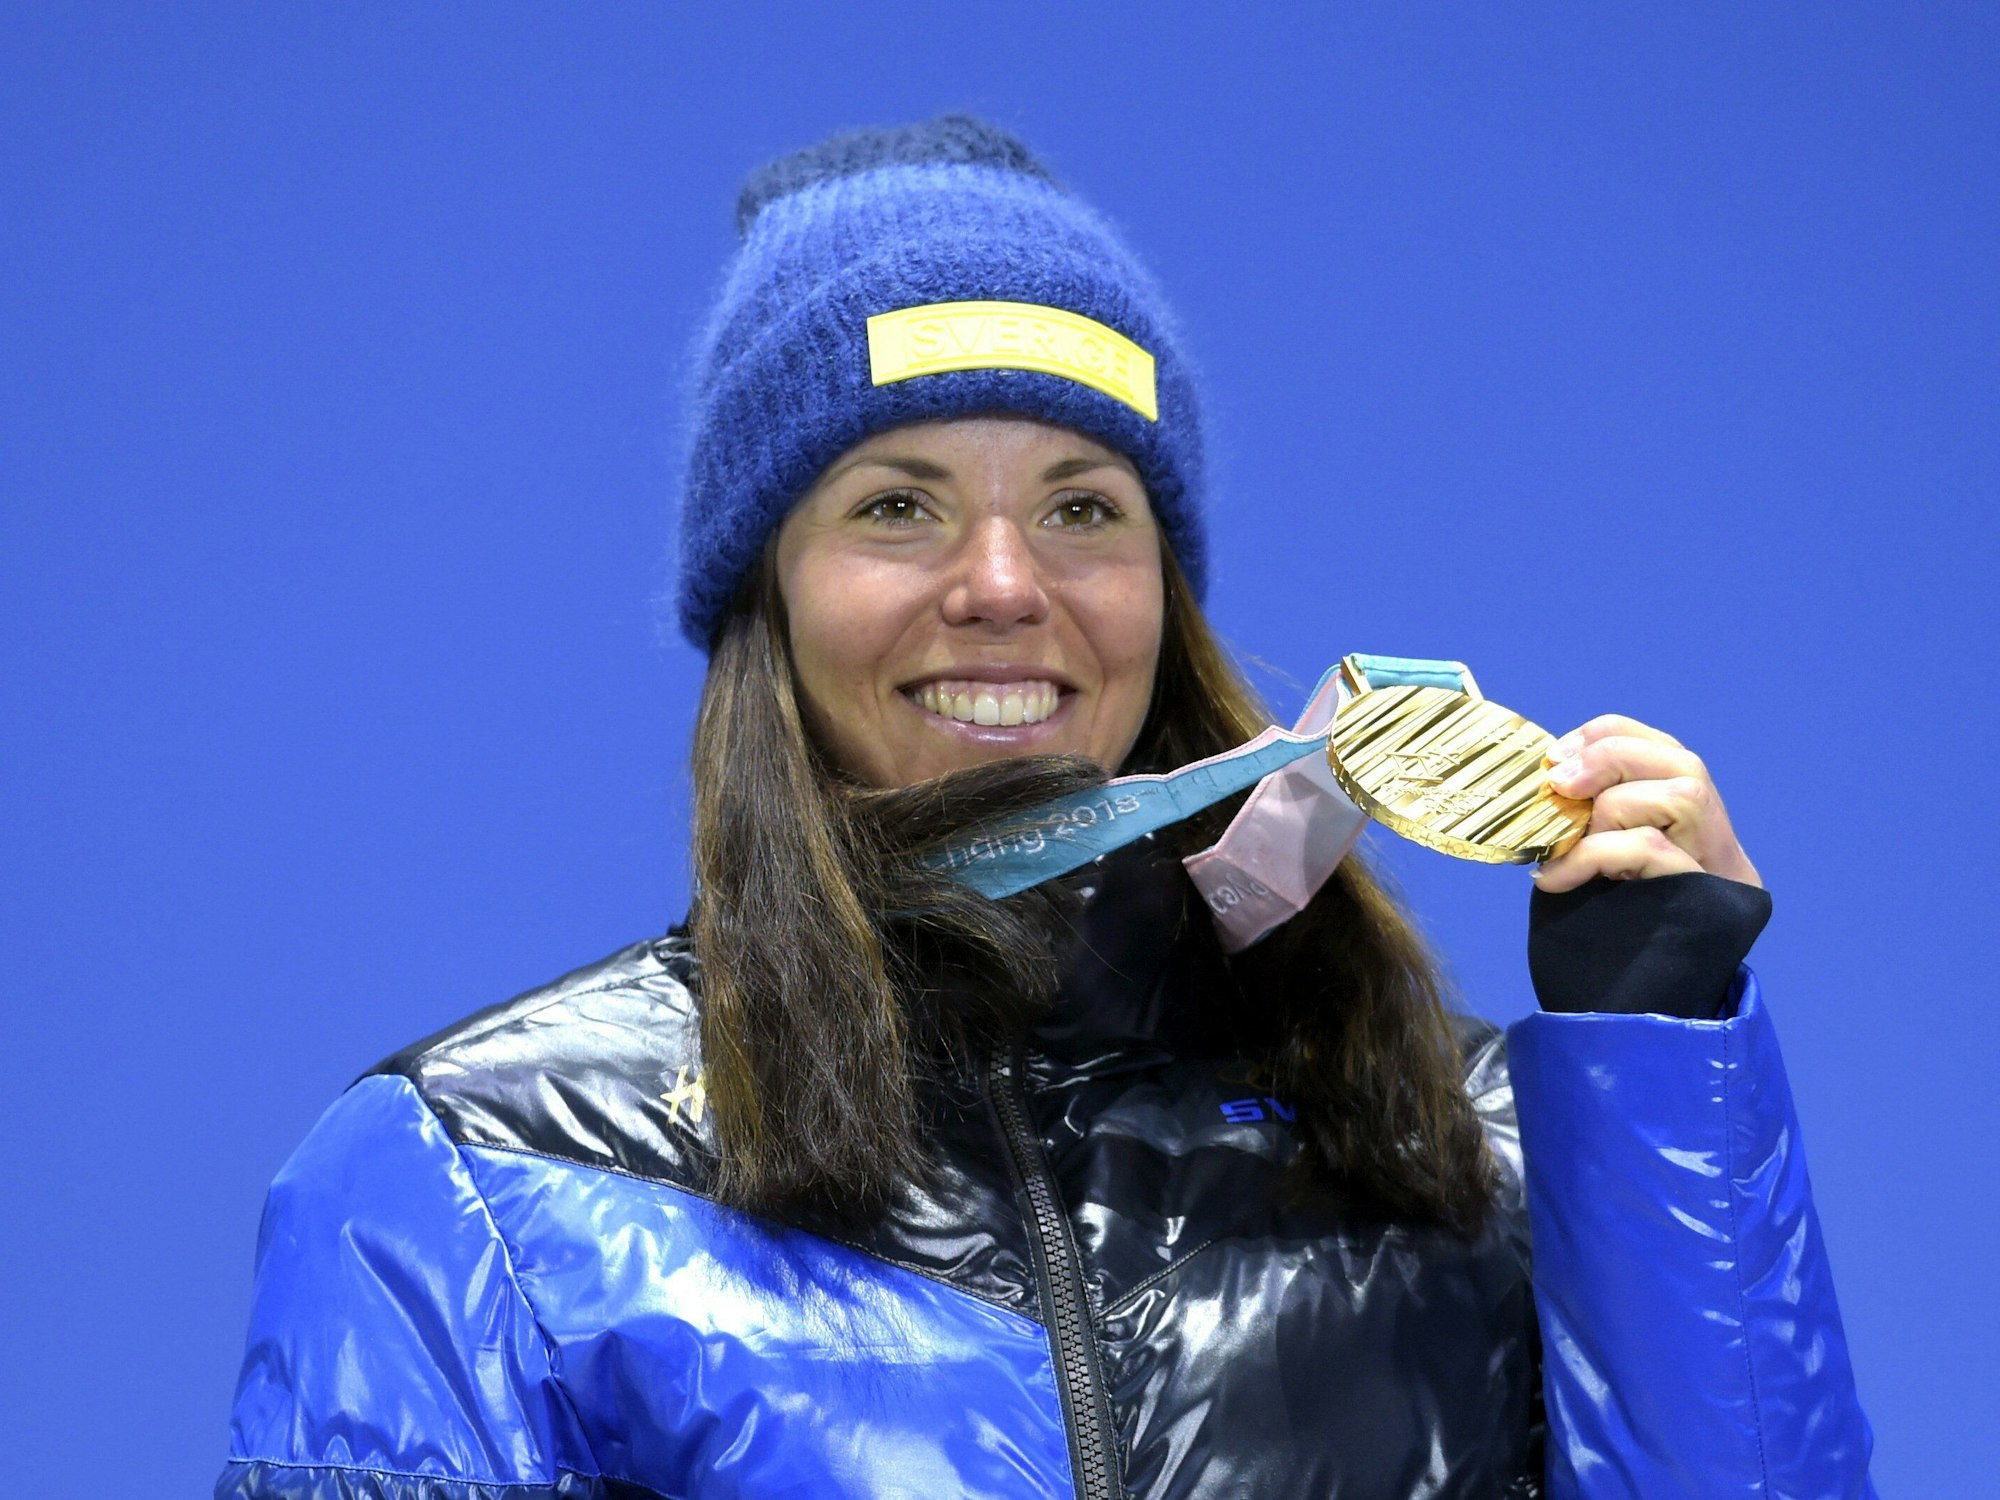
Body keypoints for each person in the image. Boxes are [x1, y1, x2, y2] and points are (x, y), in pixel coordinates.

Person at [215, 116, 1875, 1500]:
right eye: (899, 505)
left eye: (1084, 505)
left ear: (1166, 590)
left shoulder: (1469, 1154)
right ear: (765, 607)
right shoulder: (476, 1175)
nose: (1005, 586)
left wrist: (1664, 1069)